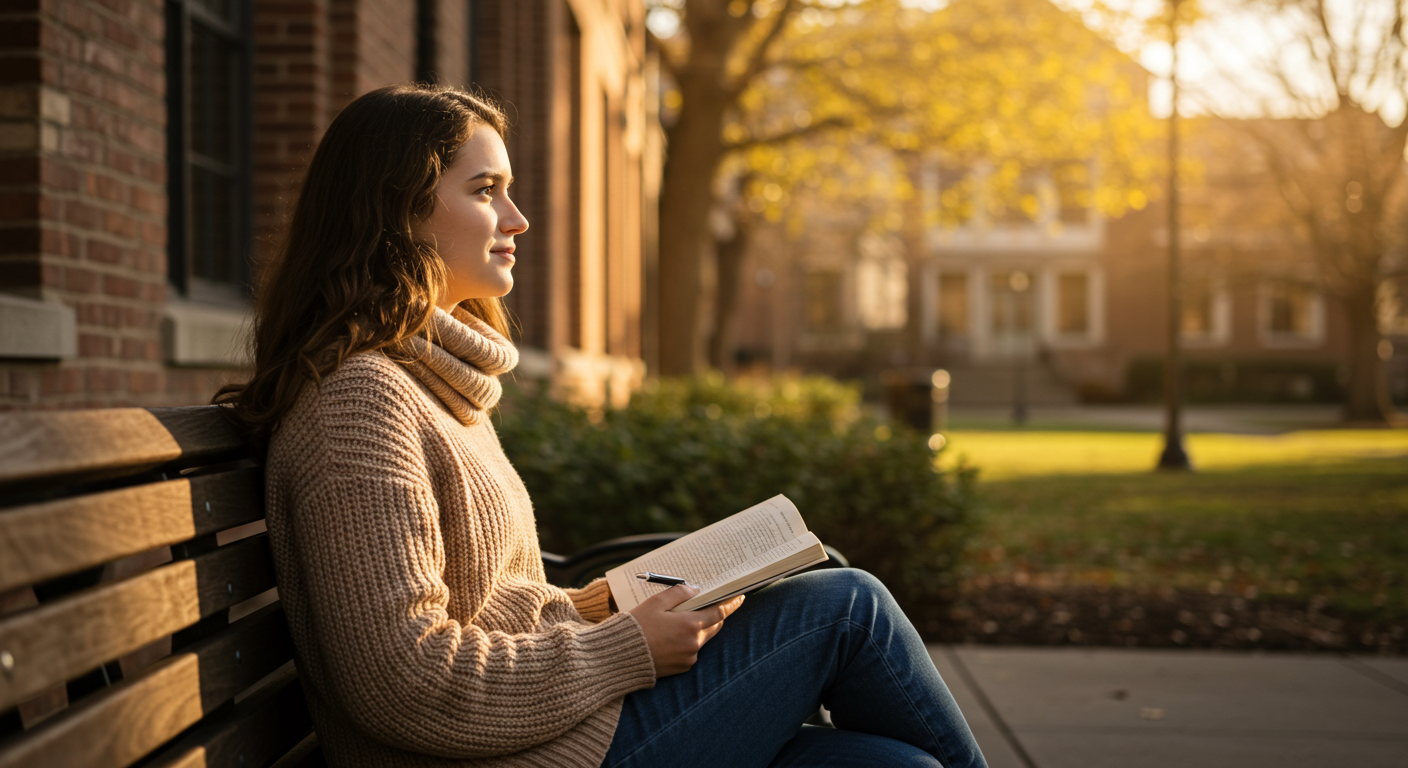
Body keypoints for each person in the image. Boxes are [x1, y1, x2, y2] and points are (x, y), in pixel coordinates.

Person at [217, 83, 988, 768]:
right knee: (846, 604)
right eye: (486, 190)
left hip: (553, 735)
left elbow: (494, 606)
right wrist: (625, 649)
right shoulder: (361, 404)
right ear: (395, 211)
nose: (516, 220)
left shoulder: (431, 386)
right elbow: (407, 683)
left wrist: (610, 605)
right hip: (517, 755)